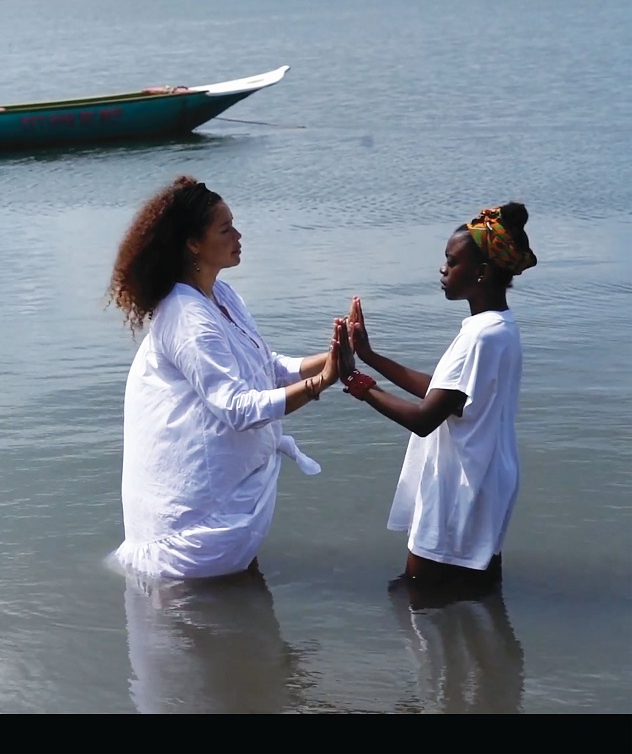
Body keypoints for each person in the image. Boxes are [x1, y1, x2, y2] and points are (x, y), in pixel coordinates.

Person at [108, 175, 340, 580]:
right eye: (225, 228)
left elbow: (264, 367)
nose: (238, 235)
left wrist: (333, 357)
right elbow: (236, 408)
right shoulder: (186, 317)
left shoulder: (222, 295)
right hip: (194, 530)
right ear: (194, 244)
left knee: (239, 627)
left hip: (222, 508)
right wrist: (322, 382)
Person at [336, 203, 537, 594]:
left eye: (452, 261)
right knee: (474, 594)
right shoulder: (500, 328)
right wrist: (370, 356)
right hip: (485, 480)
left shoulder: (480, 336)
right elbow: (446, 394)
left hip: (460, 486)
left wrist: (356, 381)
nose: (443, 269)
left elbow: (425, 418)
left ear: (481, 272)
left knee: (416, 597)